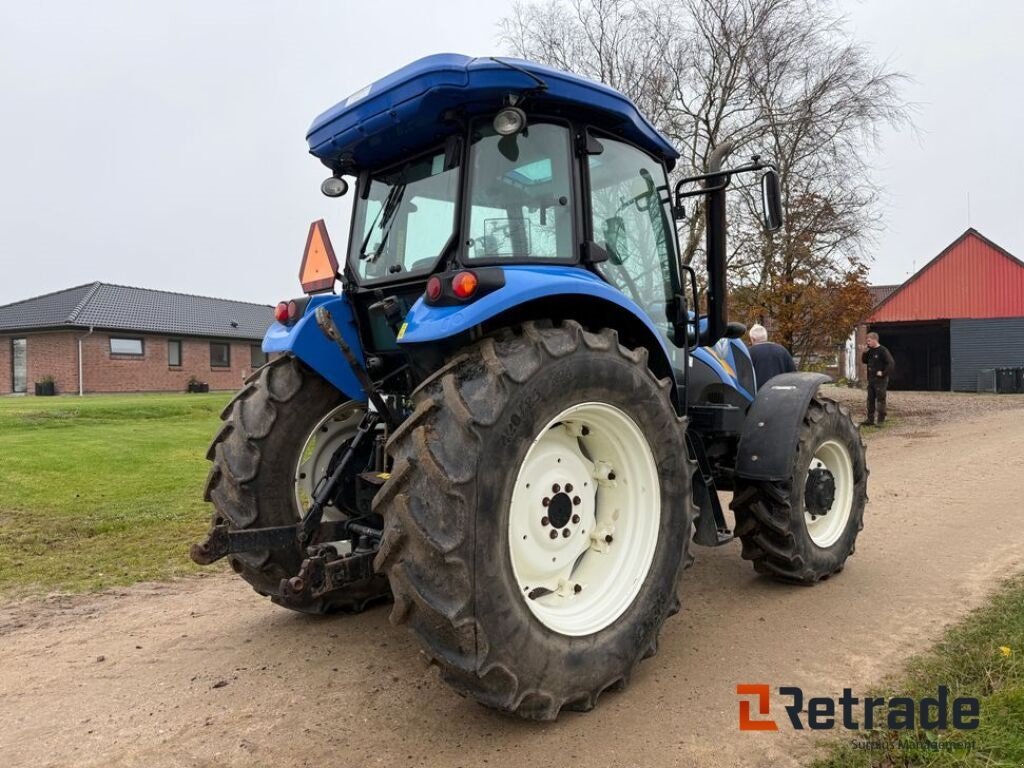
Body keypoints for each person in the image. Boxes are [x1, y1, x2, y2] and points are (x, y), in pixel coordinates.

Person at [860, 332, 894, 426]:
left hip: (880, 381)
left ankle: (880, 420)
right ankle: (870, 420)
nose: (867, 343)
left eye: (869, 340)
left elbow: (891, 363)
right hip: (871, 379)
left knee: (880, 399)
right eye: (867, 341)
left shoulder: (883, 350)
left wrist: (883, 373)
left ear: (875, 340)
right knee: (870, 399)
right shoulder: (870, 350)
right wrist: (864, 352)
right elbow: (864, 361)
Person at [747, 324, 796, 388]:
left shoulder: (749, 353)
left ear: (753, 339)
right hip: (780, 393)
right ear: (766, 336)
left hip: (759, 394)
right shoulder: (782, 350)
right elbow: (793, 374)